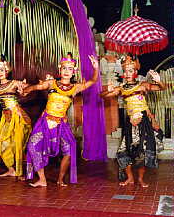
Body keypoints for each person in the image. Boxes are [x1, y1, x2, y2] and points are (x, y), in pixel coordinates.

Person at [23, 55, 99, 187]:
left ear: (73, 71)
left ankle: (60, 179)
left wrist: (96, 68)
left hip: (61, 124)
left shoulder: (75, 88)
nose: (66, 71)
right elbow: (35, 88)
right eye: (64, 68)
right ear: (60, 69)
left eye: (70, 69)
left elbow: (92, 81)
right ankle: (42, 179)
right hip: (45, 122)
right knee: (32, 146)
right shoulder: (52, 83)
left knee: (69, 150)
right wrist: (25, 90)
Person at [101, 54, 166, 187]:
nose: (128, 73)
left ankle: (141, 179)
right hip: (130, 123)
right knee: (123, 151)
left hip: (143, 123)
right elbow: (102, 96)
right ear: (123, 73)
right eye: (125, 71)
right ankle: (130, 177)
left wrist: (159, 80)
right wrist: (107, 90)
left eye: (130, 70)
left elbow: (162, 88)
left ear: (135, 72)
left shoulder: (142, 85)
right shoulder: (121, 88)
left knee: (142, 153)